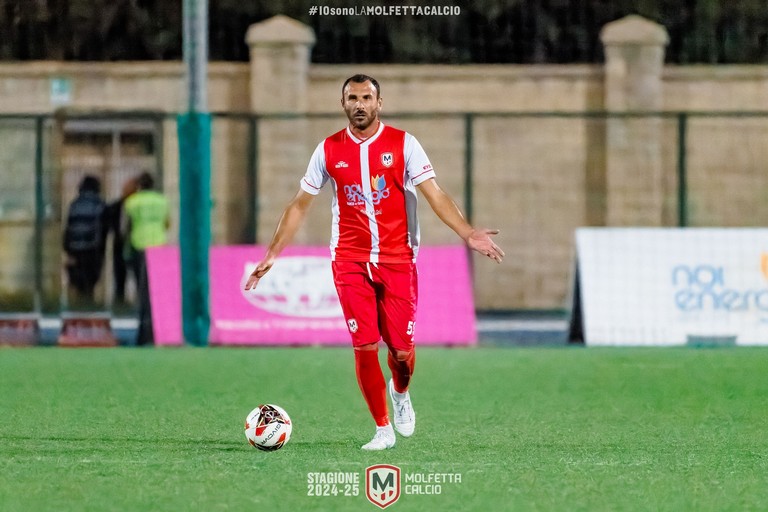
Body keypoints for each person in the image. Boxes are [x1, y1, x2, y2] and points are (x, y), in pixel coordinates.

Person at [244, 74, 504, 450]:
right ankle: (382, 429)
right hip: (348, 259)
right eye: (353, 98)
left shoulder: (404, 144)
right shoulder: (328, 150)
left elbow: (435, 193)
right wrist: (272, 253)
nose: (360, 104)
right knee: (364, 344)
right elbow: (300, 204)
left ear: (379, 103)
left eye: (367, 97)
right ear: (343, 103)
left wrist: (466, 232)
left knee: (400, 350)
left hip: (398, 258)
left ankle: (400, 393)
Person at [124, 172, 169, 346]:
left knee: (142, 291)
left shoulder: (132, 202)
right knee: (155, 293)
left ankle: (142, 333)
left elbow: (125, 227)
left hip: (139, 247)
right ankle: (155, 332)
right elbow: (167, 223)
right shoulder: (162, 201)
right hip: (159, 248)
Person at [63, 174, 108, 307]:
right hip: (92, 248)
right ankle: (88, 306)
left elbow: (69, 227)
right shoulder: (99, 204)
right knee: (90, 281)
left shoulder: (74, 204)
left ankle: (79, 306)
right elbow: (102, 229)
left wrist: (67, 247)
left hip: (75, 248)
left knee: (78, 282)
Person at [106, 176, 138, 307]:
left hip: (135, 244)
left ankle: (137, 303)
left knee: (137, 275)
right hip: (119, 244)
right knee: (119, 275)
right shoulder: (115, 206)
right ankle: (119, 302)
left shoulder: (137, 205)